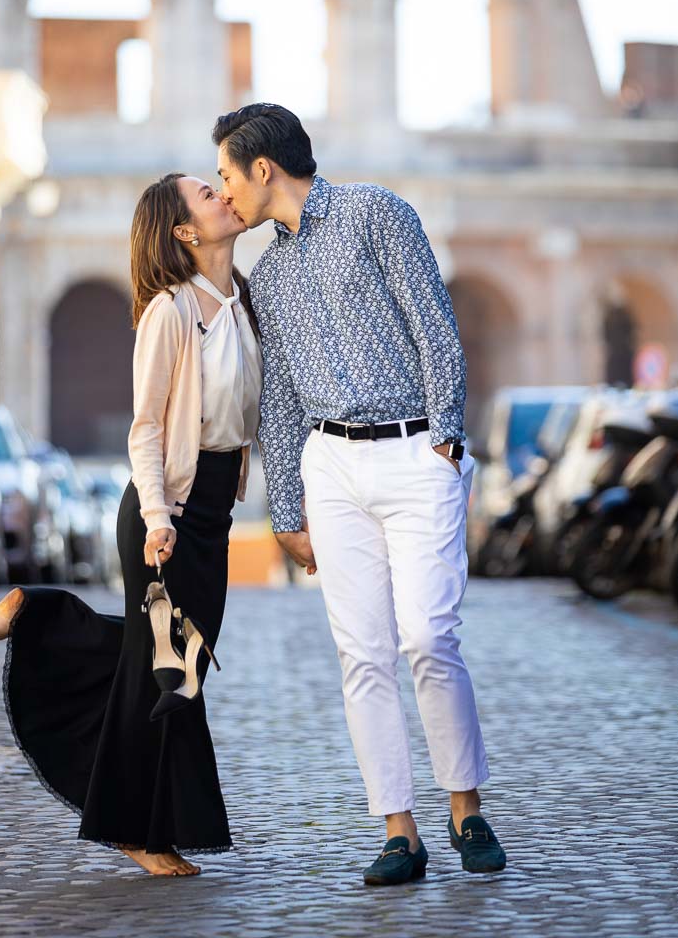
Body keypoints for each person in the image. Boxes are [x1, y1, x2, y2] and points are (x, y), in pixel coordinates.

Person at [214, 103, 506, 887]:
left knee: (429, 637)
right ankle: (399, 833)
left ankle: (466, 810)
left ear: (262, 169)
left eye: (226, 175)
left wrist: (445, 437)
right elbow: (277, 399)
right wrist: (286, 511)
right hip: (330, 469)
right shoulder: (267, 278)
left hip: (416, 453)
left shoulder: (379, 214)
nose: (225, 193)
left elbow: (436, 327)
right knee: (362, 654)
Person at [0, 173, 262, 877]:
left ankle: (35, 614)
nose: (223, 195)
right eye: (206, 194)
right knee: (170, 672)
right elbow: (147, 427)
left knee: (168, 662)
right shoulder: (170, 310)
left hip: (212, 510)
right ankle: (138, 833)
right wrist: (159, 516)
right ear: (185, 231)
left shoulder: (240, 300)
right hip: (171, 510)